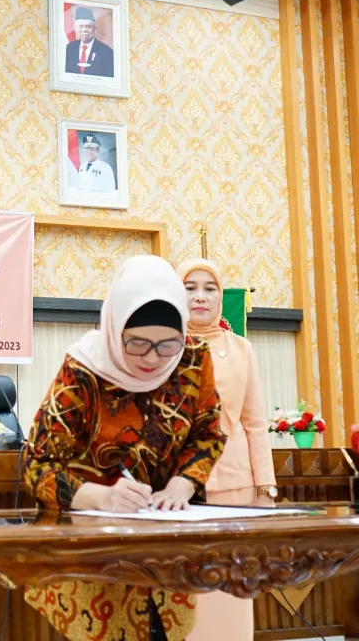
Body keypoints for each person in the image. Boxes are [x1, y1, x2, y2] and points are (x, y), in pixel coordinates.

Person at [22, 255, 225, 641]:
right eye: (137, 343)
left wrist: (181, 485)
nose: (152, 358)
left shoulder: (193, 358)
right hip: (91, 557)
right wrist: (101, 497)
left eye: (167, 344)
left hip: (167, 552)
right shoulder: (83, 369)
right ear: (115, 328)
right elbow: (37, 465)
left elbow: (207, 435)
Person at [177, 258, 277, 641]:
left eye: (209, 288)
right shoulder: (163, 346)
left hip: (235, 485)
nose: (200, 297)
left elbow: (255, 423)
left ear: (221, 297)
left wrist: (265, 488)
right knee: (187, 590)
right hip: (178, 488)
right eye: (190, 288)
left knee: (233, 587)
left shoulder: (241, 349)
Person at [64, 6, 115, 77]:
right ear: (75, 28)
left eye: (88, 26)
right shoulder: (70, 48)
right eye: (81, 26)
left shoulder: (107, 52)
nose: (84, 30)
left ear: (95, 29)